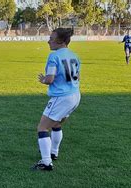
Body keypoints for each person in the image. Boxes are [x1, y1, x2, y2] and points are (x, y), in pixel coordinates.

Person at [32, 28, 81, 171]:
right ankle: (53, 153)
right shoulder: (74, 56)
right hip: (75, 95)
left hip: (62, 97)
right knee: (56, 124)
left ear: (60, 41)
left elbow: (50, 79)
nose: (48, 41)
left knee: (42, 127)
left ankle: (46, 162)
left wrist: (43, 80)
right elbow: (77, 77)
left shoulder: (54, 57)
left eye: (51, 38)